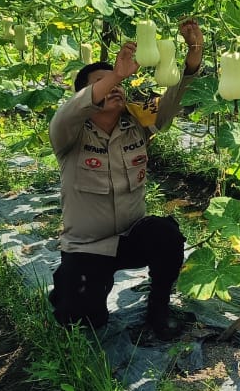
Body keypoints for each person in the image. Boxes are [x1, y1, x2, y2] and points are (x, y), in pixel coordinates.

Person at [47, 19, 204, 340]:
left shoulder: (137, 124)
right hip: (87, 247)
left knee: (166, 235)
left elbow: (173, 98)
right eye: (103, 83)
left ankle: (158, 312)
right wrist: (117, 72)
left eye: (118, 83)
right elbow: (70, 110)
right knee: (83, 323)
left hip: (131, 237)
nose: (116, 86)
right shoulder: (68, 132)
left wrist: (193, 53)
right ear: (86, 96)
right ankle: (68, 281)